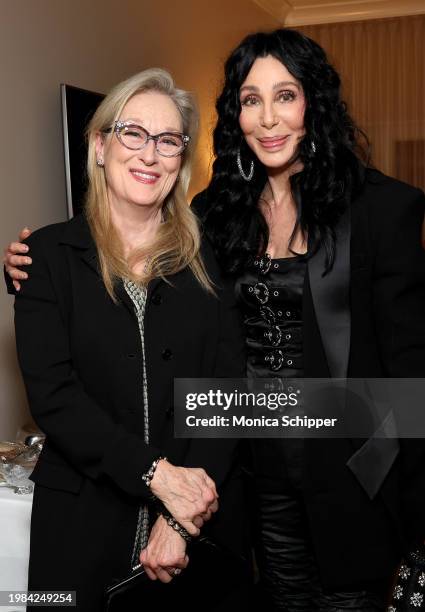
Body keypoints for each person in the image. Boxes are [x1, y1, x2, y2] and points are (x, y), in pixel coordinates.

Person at [5, 28, 425, 612]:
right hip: (253, 487)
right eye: (251, 100)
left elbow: (410, 377)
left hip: (350, 485)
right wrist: (28, 266)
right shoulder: (218, 217)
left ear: (314, 103)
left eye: (286, 96)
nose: (269, 119)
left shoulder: (383, 209)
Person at [3, 68, 251, 611]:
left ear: (181, 160)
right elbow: (55, 397)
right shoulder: (44, 258)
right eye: (132, 133)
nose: (150, 154)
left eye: (168, 141)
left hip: (195, 539)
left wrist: (180, 520)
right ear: (99, 145)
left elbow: (227, 394)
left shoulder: (209, 259)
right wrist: (157, 477)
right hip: (75, 531)